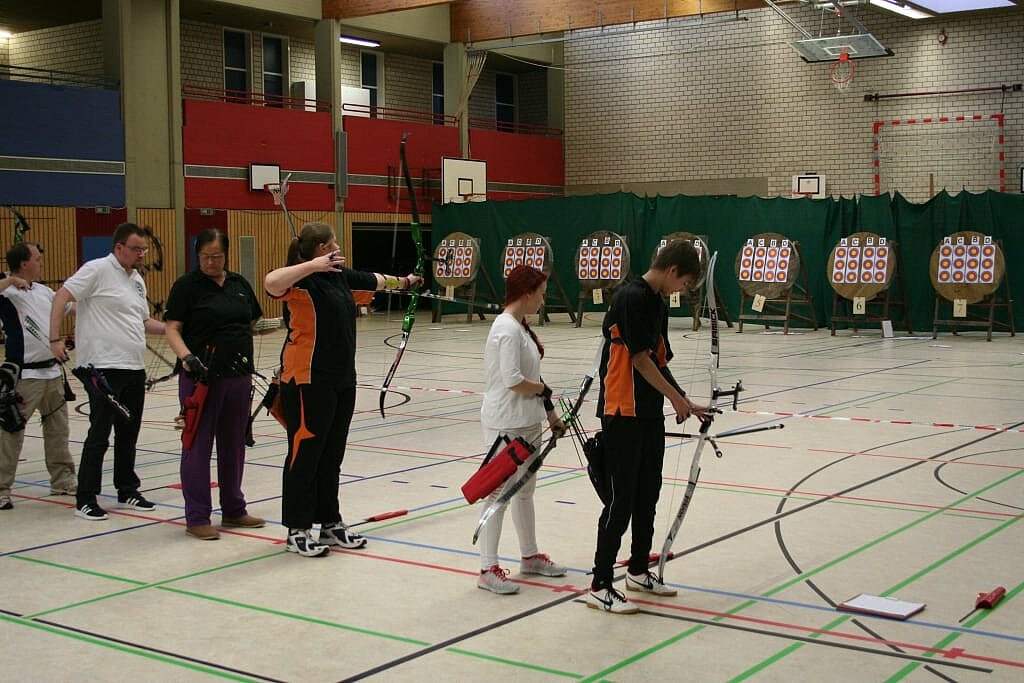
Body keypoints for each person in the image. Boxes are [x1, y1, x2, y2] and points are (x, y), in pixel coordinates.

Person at [264, 221, 422, 557]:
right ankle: (297, 529)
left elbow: (377, 280)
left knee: (331, 456)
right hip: (306, 380)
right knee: (305, 456)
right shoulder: (300, 281)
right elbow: (270, 282)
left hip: (341, 379)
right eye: (334, 244)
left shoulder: (340, 277)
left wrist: (407, 281)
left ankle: (330, 523)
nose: (338, 249)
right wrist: (312, 266)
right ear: (322, 248)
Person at [587, 239, 707, 614]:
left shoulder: (657, 303)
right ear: (672, 271)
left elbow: (658, 360)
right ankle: (600, 584)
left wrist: (683, 399)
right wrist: (676, 399)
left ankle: (638, 570)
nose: (681, 289)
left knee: (648, 495)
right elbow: (639, 360)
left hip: (650, 413)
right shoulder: (631, 297)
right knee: (620, 501)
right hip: (622, 410)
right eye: (684, 282)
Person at [49, 223, 166, 520]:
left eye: (144, 250)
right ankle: (86, 498)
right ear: (119, 248)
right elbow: (61, 296)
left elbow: (143, 322)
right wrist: (54, 339)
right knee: (99, 434)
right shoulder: (97, 269)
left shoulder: (136, 280)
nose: (142, 254)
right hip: (102, 368)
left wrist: (174, 330)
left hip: (133, 367)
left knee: (129, 432)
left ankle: (127, 489)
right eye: (136, 249)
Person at [164, 229, 273, 540]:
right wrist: (187, 356)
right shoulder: (187, 286)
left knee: (233, 445)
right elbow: (172, 328)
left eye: (216, 256)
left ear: (226, 255)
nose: (210, 262)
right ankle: (197, 516)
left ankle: (234, 509)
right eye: (204, 257)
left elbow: (250, 320)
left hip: (238, 376)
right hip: (201, 380)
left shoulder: (239, 284)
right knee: (197, 447)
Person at [476, 265, 568, 594]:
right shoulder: (505, 328)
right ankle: (487, 568)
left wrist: (551, 414)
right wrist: (543, 391)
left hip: (528, 421)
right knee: (499, 494)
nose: (543, 300)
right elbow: (513, 380)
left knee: (525, 491)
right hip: (505, 423)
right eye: (540, 294)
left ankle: (530, 556)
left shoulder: (520, 326)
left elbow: (534, 378)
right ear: (527, 294)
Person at [0, 242, 77, 510]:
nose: (41, 263)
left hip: (52, 373)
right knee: (11, 432)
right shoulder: (7, 292)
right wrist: (11, 280)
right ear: (23, 264)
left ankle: (62, 480)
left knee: (58, 430)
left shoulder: (44, 291)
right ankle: (1, 489)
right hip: (25, 375)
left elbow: (69, 307)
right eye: (37, 259)